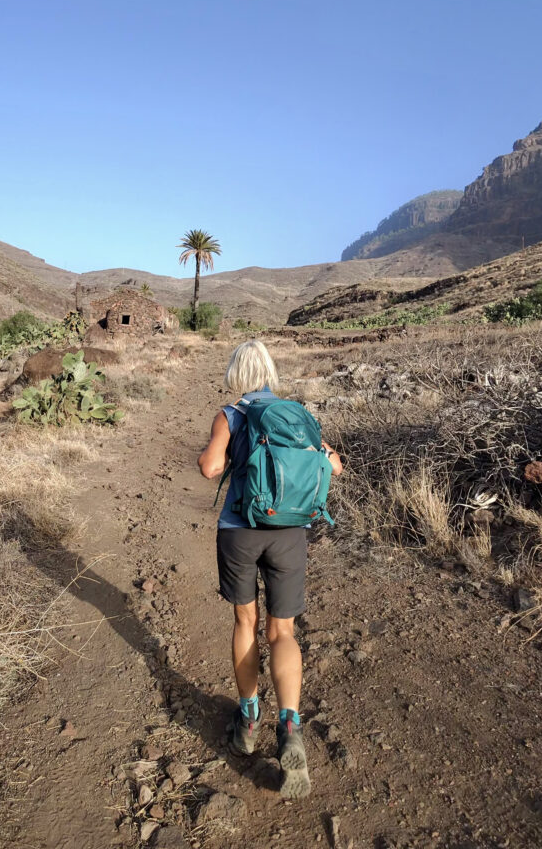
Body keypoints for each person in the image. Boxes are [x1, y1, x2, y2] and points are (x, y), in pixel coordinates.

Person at [198, 339, 343, 799]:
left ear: (236, 373)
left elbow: (208, 469)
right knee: (284, 632)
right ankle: (291, 727)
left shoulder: (231, 414)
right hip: (289, 533)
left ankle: (247, 721)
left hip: (239, 532)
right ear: (269, 372)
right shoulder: (296, 414)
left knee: (246, 621)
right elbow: (333, 466)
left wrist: (221, 457)